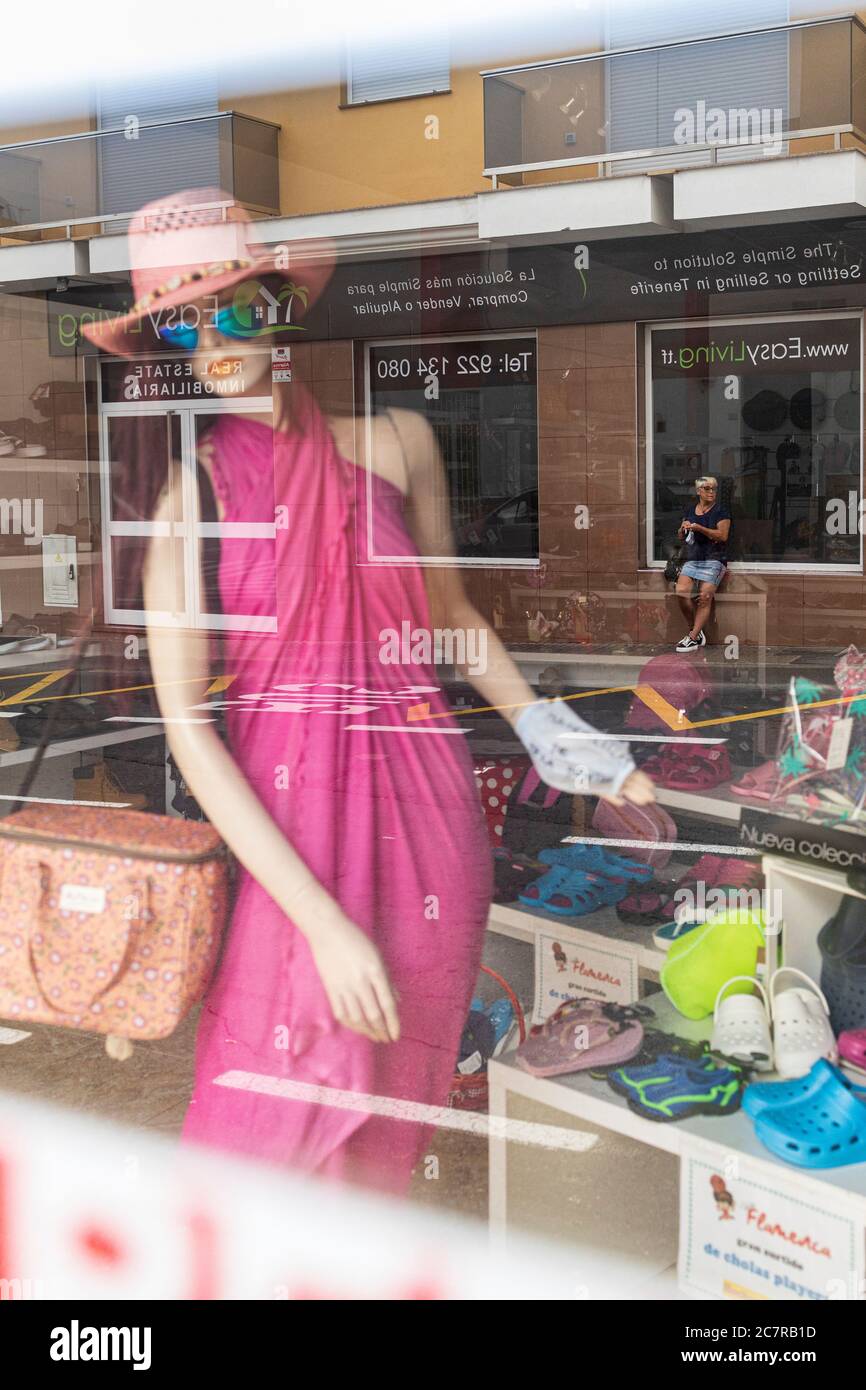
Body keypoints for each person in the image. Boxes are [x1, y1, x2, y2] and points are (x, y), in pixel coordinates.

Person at [84, 188, 655, 1195]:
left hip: (427, 817)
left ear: (278, 306)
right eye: (183, 318)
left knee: (392, 1110)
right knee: (262, 1115)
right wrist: (316, 916)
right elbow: (188, 730)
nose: (213, 339)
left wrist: (549, 728)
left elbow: (452, 622)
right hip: (289, 840)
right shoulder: (192, 501)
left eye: (233, 306)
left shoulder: (397, 442)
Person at [674, 476, 731, 653]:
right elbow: (681, 537)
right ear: (698, 491)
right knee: (681, 592)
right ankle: (696, 631)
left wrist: (700, 529)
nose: (711, 492)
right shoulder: (691, 510)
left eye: (714, 489)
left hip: (714, 559)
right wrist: (683, 529)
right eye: (707, 489)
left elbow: (722, 535)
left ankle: (692, 638)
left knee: (705, 597)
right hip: (693, 559)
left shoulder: (721, 512)